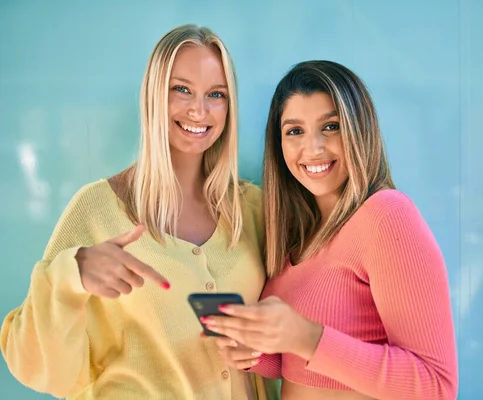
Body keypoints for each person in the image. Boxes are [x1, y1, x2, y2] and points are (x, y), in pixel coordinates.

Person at [0, 24, 278, 400]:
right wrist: (73, 273)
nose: (199, 109)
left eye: (216, 94)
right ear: (153, 96)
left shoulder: (253, 208)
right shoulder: (96, 208)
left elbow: (287, 332)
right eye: (181, 90)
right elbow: (29, 362)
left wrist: (260, 351)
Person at [205, 60, 459, 400]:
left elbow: (435, 385)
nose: (313, 148)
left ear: (359, 129)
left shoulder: (387, 216)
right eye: (295, 131)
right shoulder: (295, 237)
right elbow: (301, 365)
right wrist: (255, 353)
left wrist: (307, 336)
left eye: (331, 126)